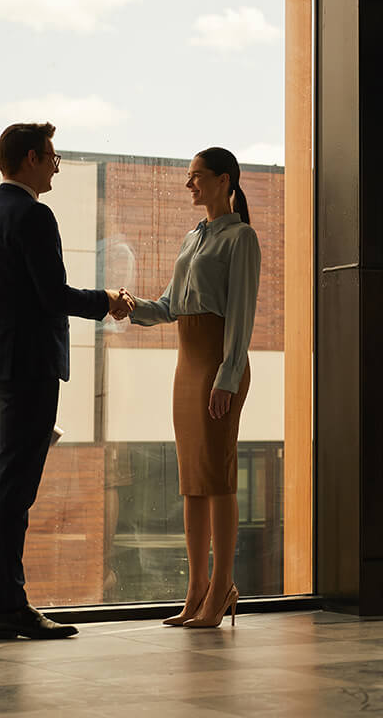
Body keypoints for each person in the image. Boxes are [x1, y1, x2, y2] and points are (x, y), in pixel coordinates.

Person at [0, 121, 130, 640]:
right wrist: (106, 301)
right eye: (53, 156)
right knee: (13, 493)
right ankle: (11, 608)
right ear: (33, 158)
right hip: (29, 368)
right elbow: (52, 295)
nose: (57, 164)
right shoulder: (34, 215)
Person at [109, 147, 260, 628]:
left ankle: (222, 587)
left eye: (196, 177)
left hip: (217, 365)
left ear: (224, 180)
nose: (188, 185)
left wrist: (228, 377)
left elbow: (240, 316)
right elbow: (171, 307)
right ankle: (196, 589)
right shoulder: (192, 238)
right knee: (193, 482)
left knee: (218, 478)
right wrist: (130, 306)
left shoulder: (241, 239)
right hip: (186, 364)